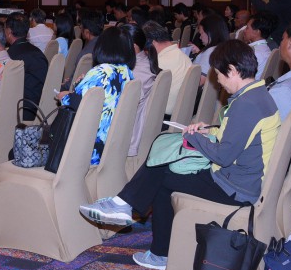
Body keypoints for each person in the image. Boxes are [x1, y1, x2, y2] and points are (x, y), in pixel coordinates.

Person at [80, 40, 280, 270]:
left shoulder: (247, 105)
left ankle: (149, 239)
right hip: (239, 179)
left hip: (233, 188)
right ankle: (129, 212)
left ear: (233, 70)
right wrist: (209, 131)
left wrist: (194, 137)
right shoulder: (258, 96)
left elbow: (224, 156)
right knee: (163, 165)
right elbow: (242, 139)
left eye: (219, 74)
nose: (218, 81)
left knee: (162, 174)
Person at [56, 26, 135, 165]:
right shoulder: (128, 73)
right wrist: (80, 84)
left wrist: (63, 96)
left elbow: (77, 104)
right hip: (112, 144)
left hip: (88, 147)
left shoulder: (100, 71)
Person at [122, 23, 159, 156]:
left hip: (128, 135)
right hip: (138, 130)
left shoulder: (135, 73)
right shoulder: (145, 62)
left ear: (132, 47)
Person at [142, 21, 192, 117]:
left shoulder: (158, 63)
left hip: (161, 117)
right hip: (181, 113)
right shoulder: (184, 57)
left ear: (151, 43)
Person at [4, 13, 48, 120]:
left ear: (9, 32)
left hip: (21, 110)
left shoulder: (11, 56)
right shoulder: (38, 52)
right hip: (41, 106)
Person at [189, 14, 230, 86]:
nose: (200, 37)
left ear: (210, 33)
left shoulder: (209, 52)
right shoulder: (225, 48)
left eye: (201, 33)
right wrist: (199, 53)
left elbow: (200, 81)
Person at [241, 11, 276, 79]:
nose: (244, 30)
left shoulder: (252, 52)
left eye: (247, 28)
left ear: (257, 31)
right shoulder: (266, 48)